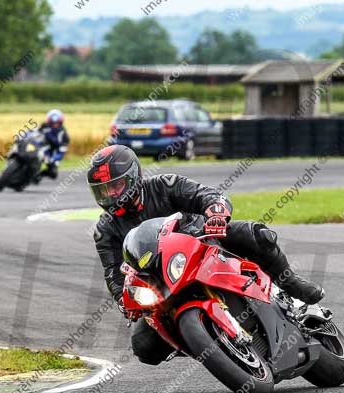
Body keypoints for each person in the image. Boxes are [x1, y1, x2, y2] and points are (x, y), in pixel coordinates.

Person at [88, 145, 325, 366]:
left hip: (201, 243)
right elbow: (113, 272)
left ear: (133, 177)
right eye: (103, 190)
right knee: (143, 347)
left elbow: (208, 195)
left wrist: (216, 213)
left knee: (256, 234)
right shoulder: (105, 229)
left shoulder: (164, 185)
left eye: (114, 187)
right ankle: (195, 340)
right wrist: (124, 300)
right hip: (160, 281)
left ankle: (290, 282)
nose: (109, 195)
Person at [38, 109, 70, 180]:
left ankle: (39, 175)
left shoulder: (64, 134)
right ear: (49, 122)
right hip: (39, 146)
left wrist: (53, 159)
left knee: (53, 173)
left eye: (57, 123)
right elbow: (35, 132)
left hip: (51, 153)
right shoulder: (44, 126)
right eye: (53, 123)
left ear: (60, 123)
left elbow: (62, 150)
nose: (55, 125)